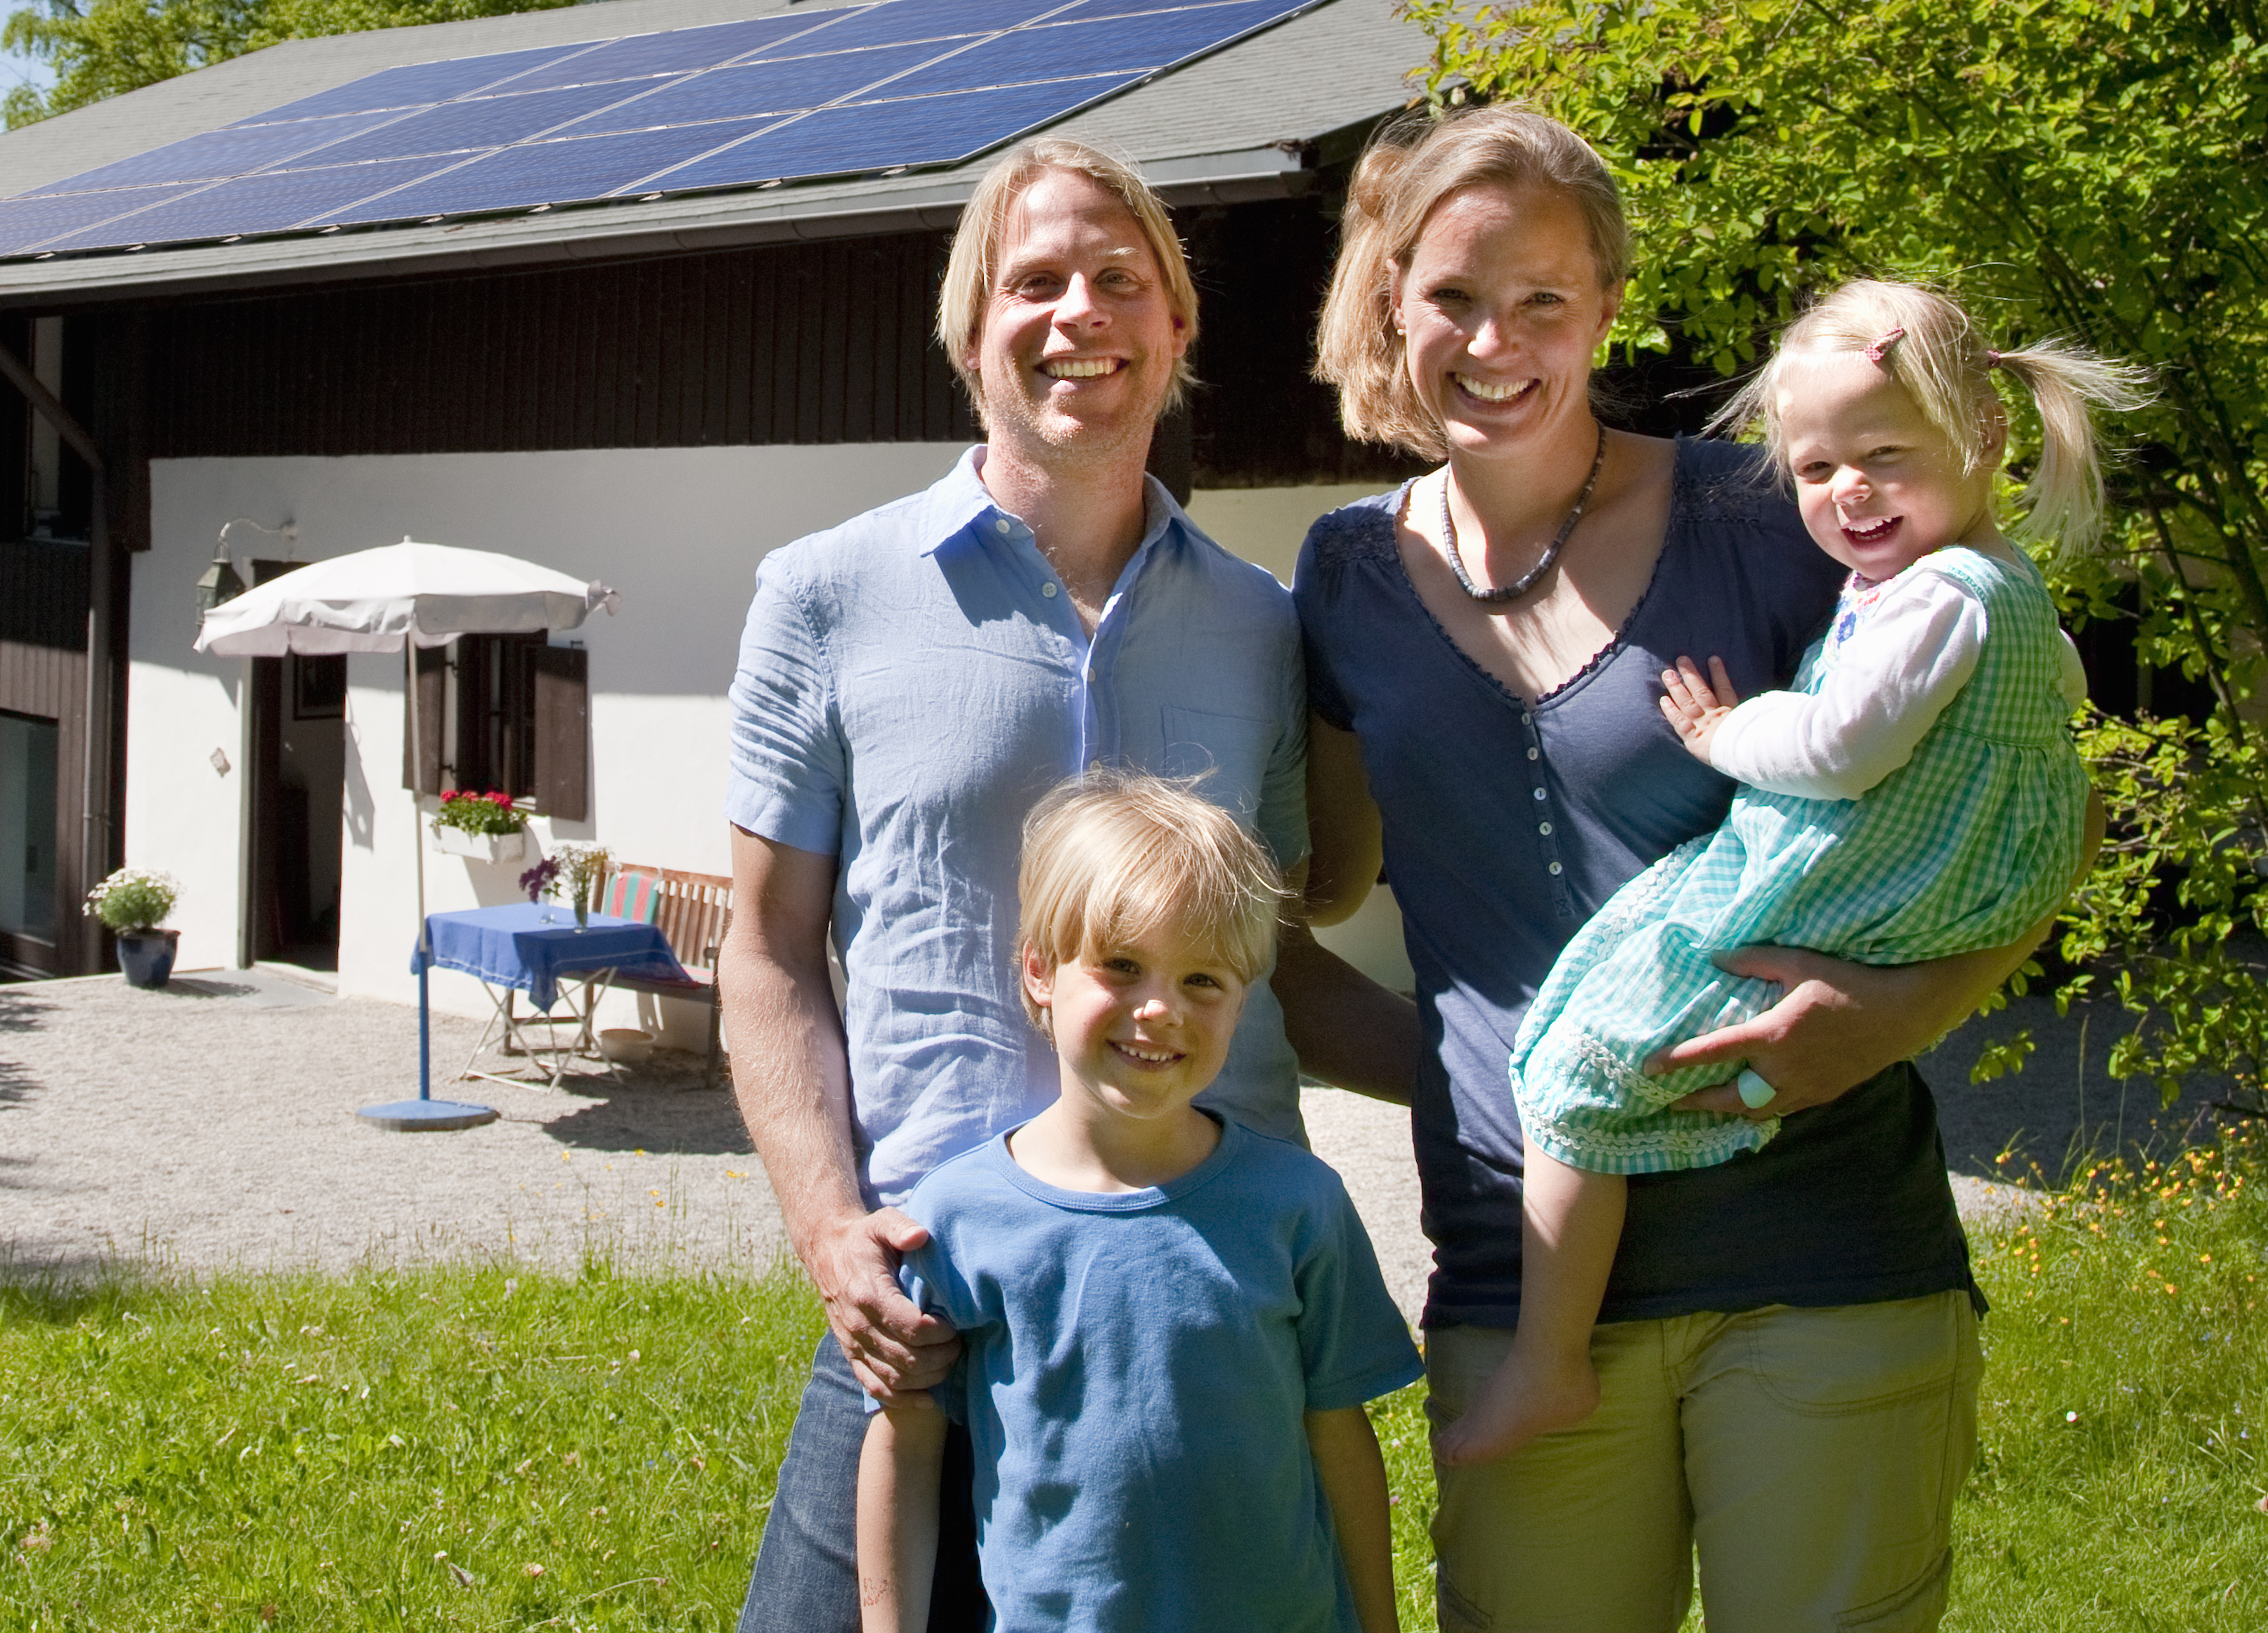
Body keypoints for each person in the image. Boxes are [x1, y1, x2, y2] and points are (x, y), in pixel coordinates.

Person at [1288, 104, 2088, 1633]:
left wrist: (1901, 1014)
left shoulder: (1768, 512)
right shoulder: (1341, 574)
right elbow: (1311, 892)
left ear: (1603, 306)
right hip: (1520, 1279)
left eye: (1543, 298)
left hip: (1822, 1245)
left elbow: (2021, 801)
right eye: (1452, 294)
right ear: (1392, 297)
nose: (1492, 338)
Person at [722, 137, 1354, 1633]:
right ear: (966, 334)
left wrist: (1496, 1081)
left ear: (1178, 331)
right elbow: (763, 951)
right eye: (1035, 280)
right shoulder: (825, 591)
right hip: (926, 1283)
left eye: (1119, 279)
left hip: (1201, 1283)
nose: (1080, 311)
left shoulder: (1261, 625)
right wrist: (830, 1234)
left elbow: (1271, 950)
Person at [1439, 278, 2147, 1464]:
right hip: (1931, 877)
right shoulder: (1999, 585)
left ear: (1982, 435)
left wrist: (1723, 736)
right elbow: (2044, 715)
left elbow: (1837, 746)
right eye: (1816, 469)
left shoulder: (1933, 599)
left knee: (1570, 1069)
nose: (1846, 490)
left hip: (1842, 877)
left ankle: (1547, 1363)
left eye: (1883, 453)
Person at [855, 772, 1419, 1633]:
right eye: (1121, 965)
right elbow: (905, 1444)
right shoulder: (956, 1218)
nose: (1158, 1008)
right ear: (1040, 971)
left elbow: (1336, 1434)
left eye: (1203, 980)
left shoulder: (1298, 1205)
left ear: (1242, 1000)